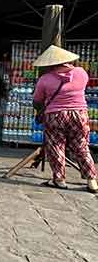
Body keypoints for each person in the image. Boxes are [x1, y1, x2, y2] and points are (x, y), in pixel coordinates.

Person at [32, 44, 98, 192]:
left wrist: (39, 110)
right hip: (79, 114)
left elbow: (37, 100)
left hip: (55, 115)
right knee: (81, 147)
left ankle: (59, 179)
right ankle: (92, 180)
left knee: (56, 146)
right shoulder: (81, 73)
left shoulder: (45, 79)